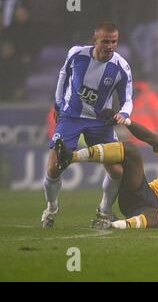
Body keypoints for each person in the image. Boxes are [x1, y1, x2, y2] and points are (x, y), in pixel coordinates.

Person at [41, 22, 133, 228]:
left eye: (114, 41)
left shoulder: (121, 67)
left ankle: (105, 209)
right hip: (71, 116)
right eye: (105, 41)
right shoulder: (77, 54)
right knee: (54, 168)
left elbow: (127, 98)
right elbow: (63, 76)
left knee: (117, 171)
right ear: (95, 40)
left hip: (100, 123)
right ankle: (51, 207)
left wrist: (124, 114)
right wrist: (57, 104)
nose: (110, 46)